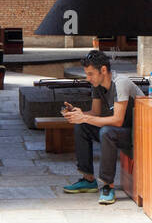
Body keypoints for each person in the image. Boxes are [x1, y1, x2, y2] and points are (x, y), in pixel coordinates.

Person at [61, 49, 142, 205]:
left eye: (90, 74)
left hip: (138, 132)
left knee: (106, 132)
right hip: (120, 129)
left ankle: (107, 186)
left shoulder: (120, 83)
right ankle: (88, 179)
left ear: (103, 70)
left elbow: (117, 121)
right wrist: (79, 115)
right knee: (82, 125)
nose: (88, 78)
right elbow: (95, 113)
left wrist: (85, 117)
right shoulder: (97, 85)